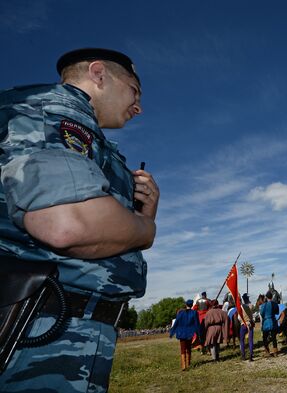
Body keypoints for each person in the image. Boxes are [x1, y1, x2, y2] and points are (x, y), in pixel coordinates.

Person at [0, 48, 158, 392]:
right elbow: (68, 223)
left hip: (61, 326)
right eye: (135, 90)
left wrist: (142, 212)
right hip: (37, 328)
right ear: (99, 74)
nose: (139, 106)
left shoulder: (89, 135)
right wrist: (146, 229)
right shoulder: (50, 110)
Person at [170, 300, 200, 371]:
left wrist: (172, 332)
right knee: (188, 348)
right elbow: (196, 324)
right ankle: (188, 364)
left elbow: (176, 323)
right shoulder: (194, 313)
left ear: (186, 305)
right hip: (189, 333)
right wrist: (198, 333)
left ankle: (183, 366)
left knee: (182, 349)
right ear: (192, 305)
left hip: (181, 333)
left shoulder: (180, 313)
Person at [260, 291, 279, 357]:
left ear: (266, 297)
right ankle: (275, 352)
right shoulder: (275, 304)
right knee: (274, 338)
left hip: (266, 323)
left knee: (265, 338)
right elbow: (277, 312)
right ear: (272, 297)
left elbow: (261, 314)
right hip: (273, 322)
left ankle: (267, 352)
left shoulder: (263, 305)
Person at [238, 293, 255, 361]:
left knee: (242, 340)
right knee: (250, 340)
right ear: (248, 299)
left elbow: (239, 318)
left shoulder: (241, 307)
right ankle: (251, 355)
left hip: (243, 325)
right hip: (250, 324)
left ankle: (243, 355)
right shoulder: (251, 305)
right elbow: (251, 311)